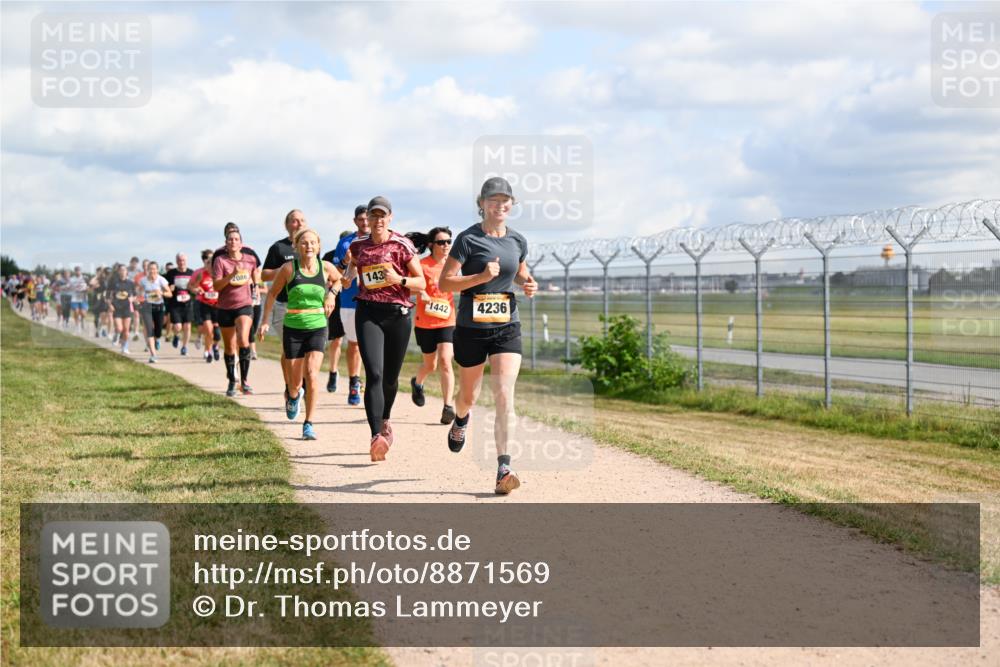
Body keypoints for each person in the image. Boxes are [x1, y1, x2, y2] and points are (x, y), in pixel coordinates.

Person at [438, 177, 538, 495]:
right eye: (493, 200)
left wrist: (528, 282)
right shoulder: (468, 240)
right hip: (471, 328)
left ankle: (503, 468)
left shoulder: (518, 240)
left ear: (511, 204)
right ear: (481, 203)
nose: (500, 205)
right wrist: (480, 276)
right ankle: (462, 419)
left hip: (507, 325)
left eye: (505, 200)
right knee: (468, 397)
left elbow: (519, 270)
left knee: (504, 394)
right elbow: (445, 283)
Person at [342, 196, 425, 461]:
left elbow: (421, 283)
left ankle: (386, 420)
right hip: (367, 312)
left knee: (390, 378)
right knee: (374, 374)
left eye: (382, 216)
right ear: (367, 218)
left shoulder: (402, 245)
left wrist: (398, 278)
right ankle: (376, 435)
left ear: (390, 218)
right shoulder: (357, 246)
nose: (377, 220)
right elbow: (352, 271)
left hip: (397, 315)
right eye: (373, 215)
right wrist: (345, 279)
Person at [260, 228, 341, 440]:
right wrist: (264, 322)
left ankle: (309, 423)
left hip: (318, 325)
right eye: (304, 243)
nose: (309, 246)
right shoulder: (288, 269)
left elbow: (340, 280)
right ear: (296, 246)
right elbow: (272, 294)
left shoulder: (325, 267)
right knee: (295, 383)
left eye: (313, 242)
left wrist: (331, 294)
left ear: (319, 245)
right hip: (293, 327)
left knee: (312, 374)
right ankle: (293, 396)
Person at [406, 227, 457, 424]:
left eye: (448, 241)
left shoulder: (452, 265)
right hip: (425, 322)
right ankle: (417, 383)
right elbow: (408, 287)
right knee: (431, 364)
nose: (446, 246)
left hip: (447, 320)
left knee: (445, 361)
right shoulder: (421, 265)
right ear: (431, 245)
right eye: (441, 242)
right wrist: (421, 293)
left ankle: (447, 406)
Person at [261, 210, 305, 401]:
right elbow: (264, 275)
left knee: (302, 350)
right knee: (289, 349)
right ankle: (291, 387)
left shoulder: (309, 245)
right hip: (284, 305)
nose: (299, 224)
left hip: (306, 306)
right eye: (294, 221)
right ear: (287, 224)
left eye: (302, 220)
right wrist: (282, 271)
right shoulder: (278, 248)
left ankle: (298, 383)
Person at [213, 226, 260, 396]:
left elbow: (255, 275)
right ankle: (233, 381)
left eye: (236, 239)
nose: (233, 241)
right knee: (229, 346)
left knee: (243, 339)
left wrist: (256, 287)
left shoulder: (250, 259)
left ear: (241, 244)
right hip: (225, 306)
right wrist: (231, 275)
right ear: (226, 243)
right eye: (230, 239)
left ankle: (245, 381)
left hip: (244, 305)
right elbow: (217, 286)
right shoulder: (220, 261)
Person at [332, 205, 370, 405]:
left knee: (373, 345)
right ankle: (354, 382)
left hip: (375, 299)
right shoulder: (345, 243)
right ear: (355, 221)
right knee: (354, 345)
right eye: (361, 219)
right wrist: (347, 263)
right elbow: (337, 273)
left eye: (367, 218)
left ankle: (372, 383)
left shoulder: (380, 241)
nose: (365, 223)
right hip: (350, 302)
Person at [321, 230, 352, 393]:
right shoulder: (329, 256)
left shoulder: (360, 253)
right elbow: (322, 277)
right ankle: (333, 372)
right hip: (336, 301)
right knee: (337, 340)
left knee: (356, 343)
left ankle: (355, 379)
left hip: (354, 301)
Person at [137, 261, 172, 363]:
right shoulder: (143, 281)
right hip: (147, 307)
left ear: (157, 270)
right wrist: (139, 298)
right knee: (149, 329)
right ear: (147, 270)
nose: (152, 271)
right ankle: (153, 354)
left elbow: (170, 294)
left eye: (154, 269)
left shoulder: (161, 280)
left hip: (159, 307)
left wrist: (161, 292)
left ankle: (157, 339)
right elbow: (139, 292)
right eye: (150, 269)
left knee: (158, 331)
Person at [191, 249, 221, 363]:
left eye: (212, 264)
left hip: (217, 306)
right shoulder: (201, 275)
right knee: (208, 330)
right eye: (208, 264)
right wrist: (197, 289)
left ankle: (215, 346)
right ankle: (208, 352)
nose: (210, 266)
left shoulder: (219, 275)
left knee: (217, 334)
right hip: (205, 305)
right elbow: (192, 286)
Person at [165, 253, 195, 355]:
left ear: (186, 261)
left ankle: (184, 347)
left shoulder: (191, 273)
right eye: (179, 260)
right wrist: (170, 288)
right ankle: (176, 335)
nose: (181, 262)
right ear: (177, 261)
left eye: (183, 260)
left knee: (187, 326)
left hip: (188, 303)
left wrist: (195, 290)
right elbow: (166, 287)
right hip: (175, 304)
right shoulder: (171, 273)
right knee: (178, 326)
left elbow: (194, 286)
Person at [108, 263, 136, 354]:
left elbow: (135, 295)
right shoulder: (114, 282)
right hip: (117, 308)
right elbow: (108, 296)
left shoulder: (130, 283)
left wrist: (132, 299)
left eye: (124, 270)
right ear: (118, 271)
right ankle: (116, 335)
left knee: (126, 330)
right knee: (119, 328)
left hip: (127, 308)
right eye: (121, 270)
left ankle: (125, 347)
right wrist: (110, 305)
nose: (123, 272)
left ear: (126, 272)